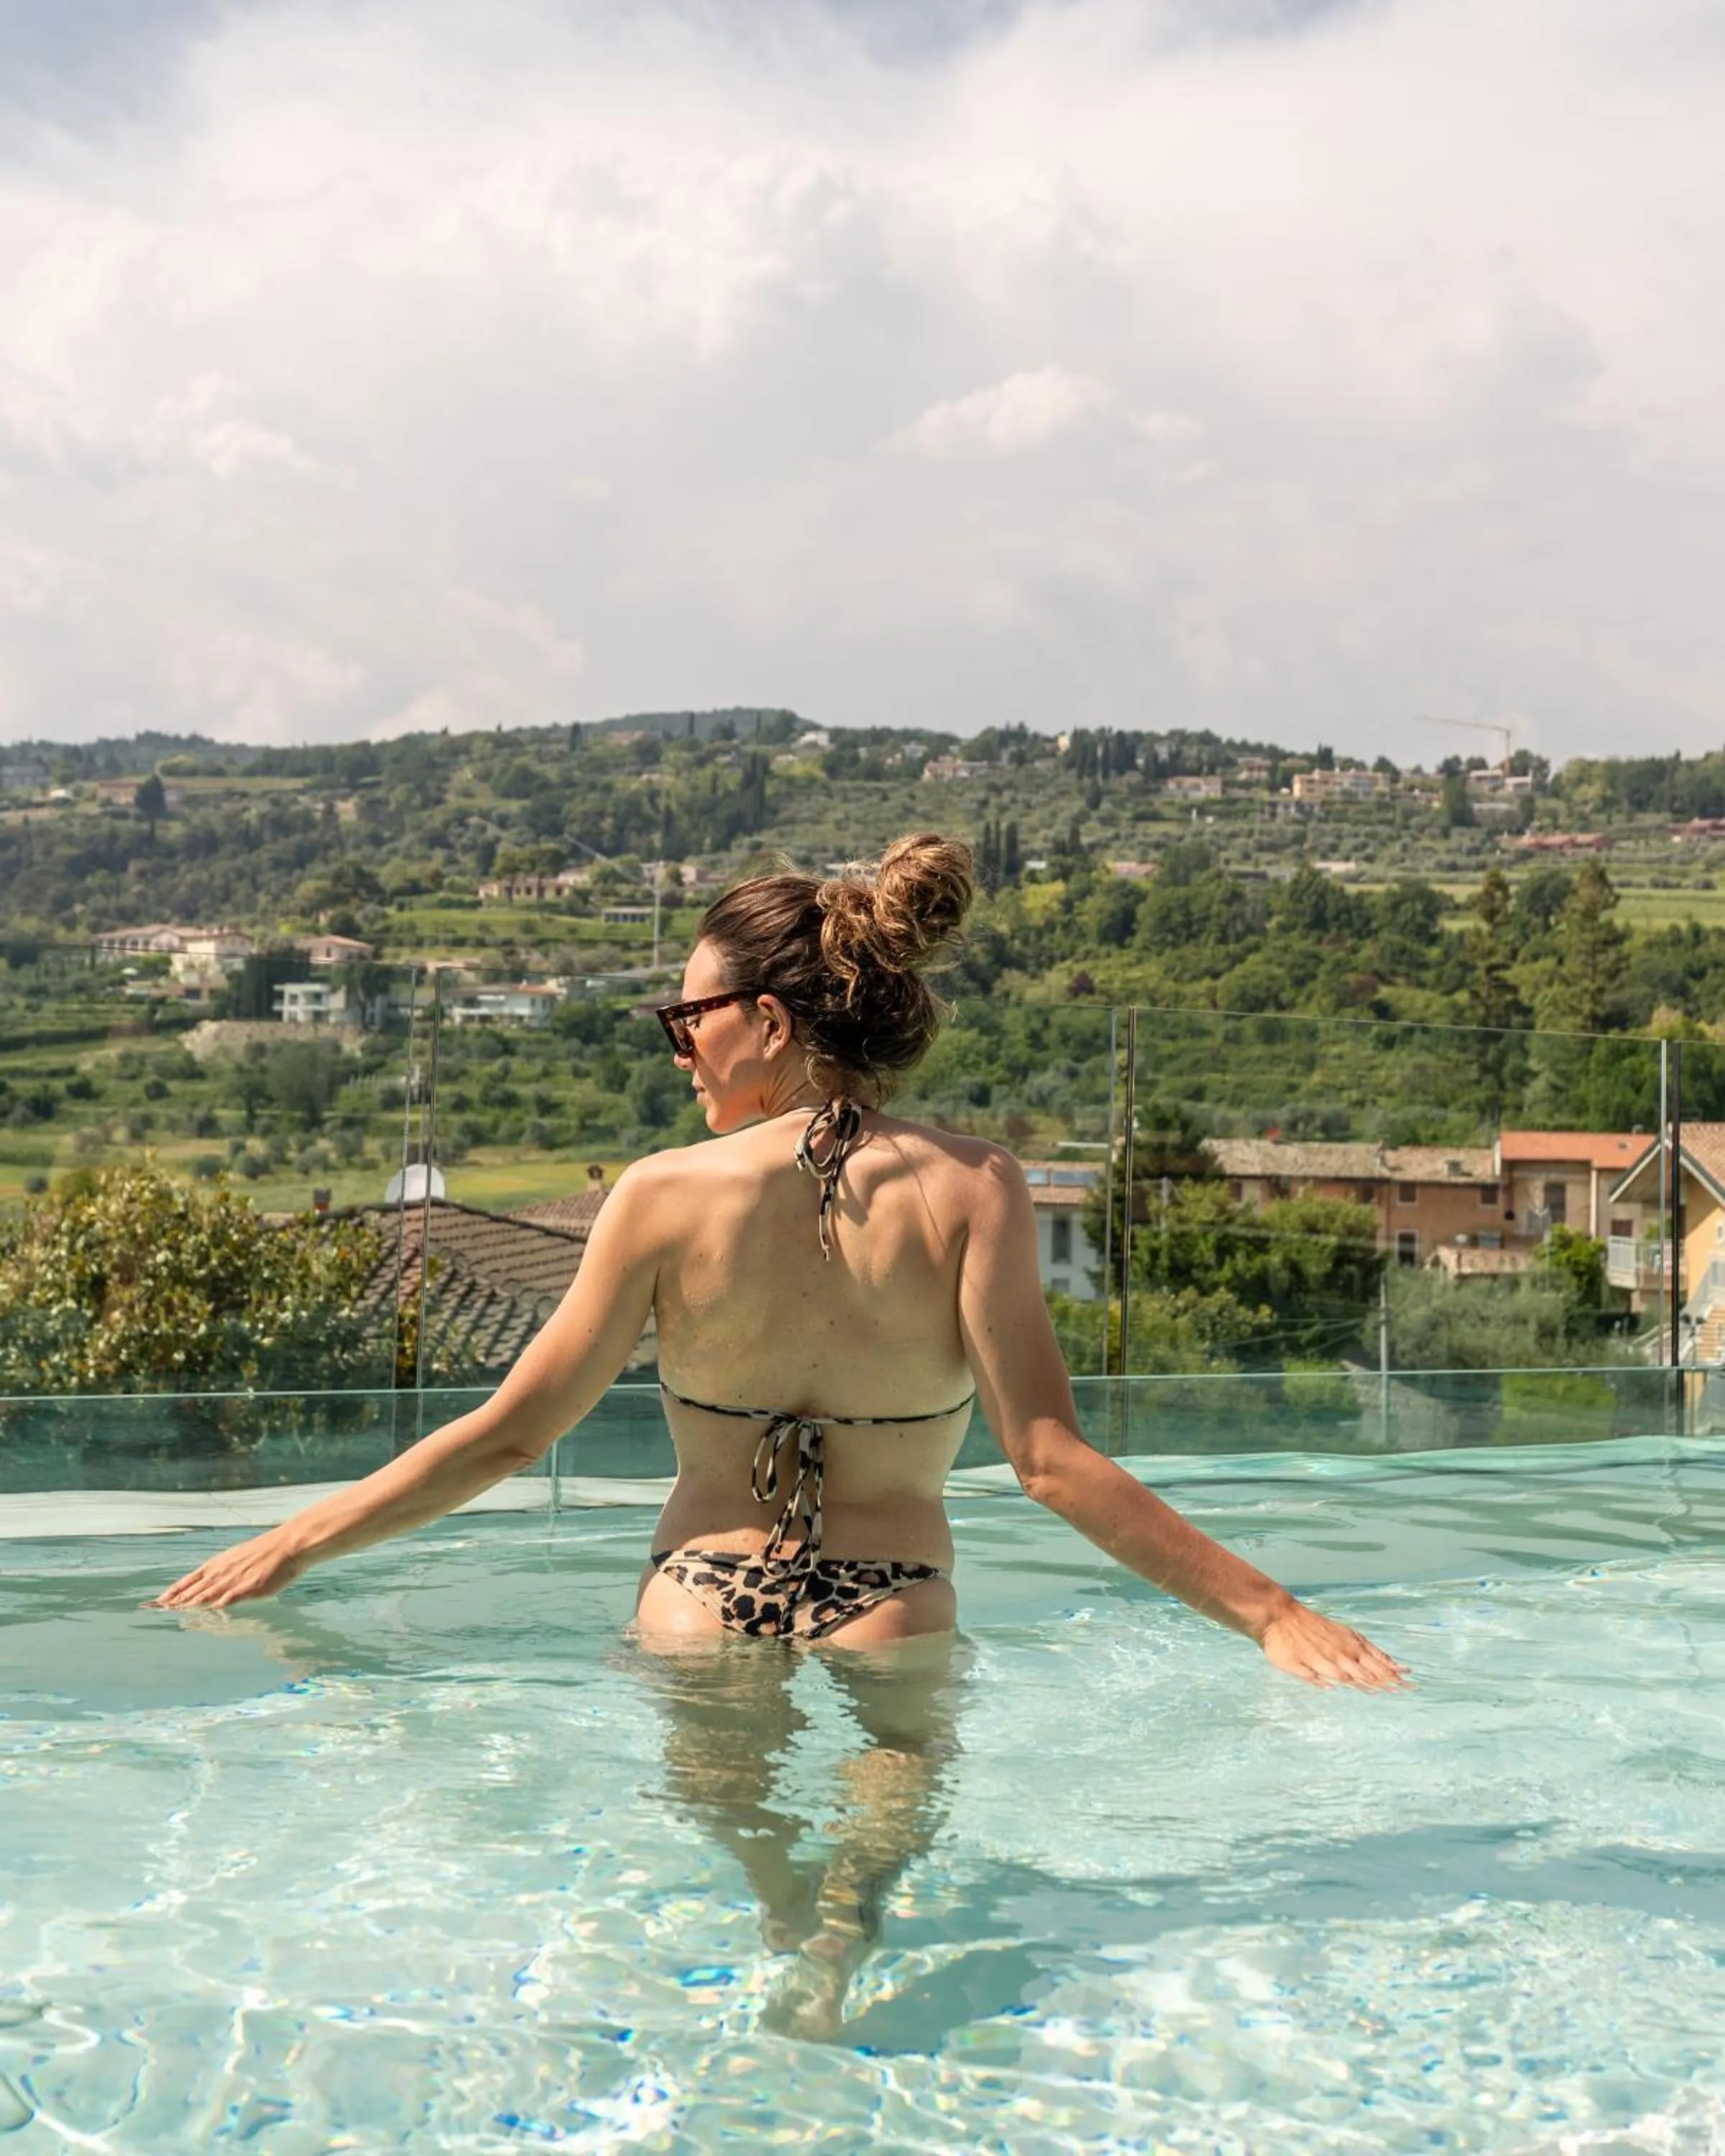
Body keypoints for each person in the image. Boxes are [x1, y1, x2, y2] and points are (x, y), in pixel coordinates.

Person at [156, 831, 1406, 1691]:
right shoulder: (975, 1188)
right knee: (872, 1873)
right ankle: (838, 1935)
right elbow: (1050, 1463)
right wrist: (1273, 1615)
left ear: (764, 1020)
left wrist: (291, 1545)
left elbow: (509, 1439)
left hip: (699, 1592)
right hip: (892, 1598)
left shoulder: (659, 1195)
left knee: (752, 1870)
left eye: (686, 1019)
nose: (678, 1051)